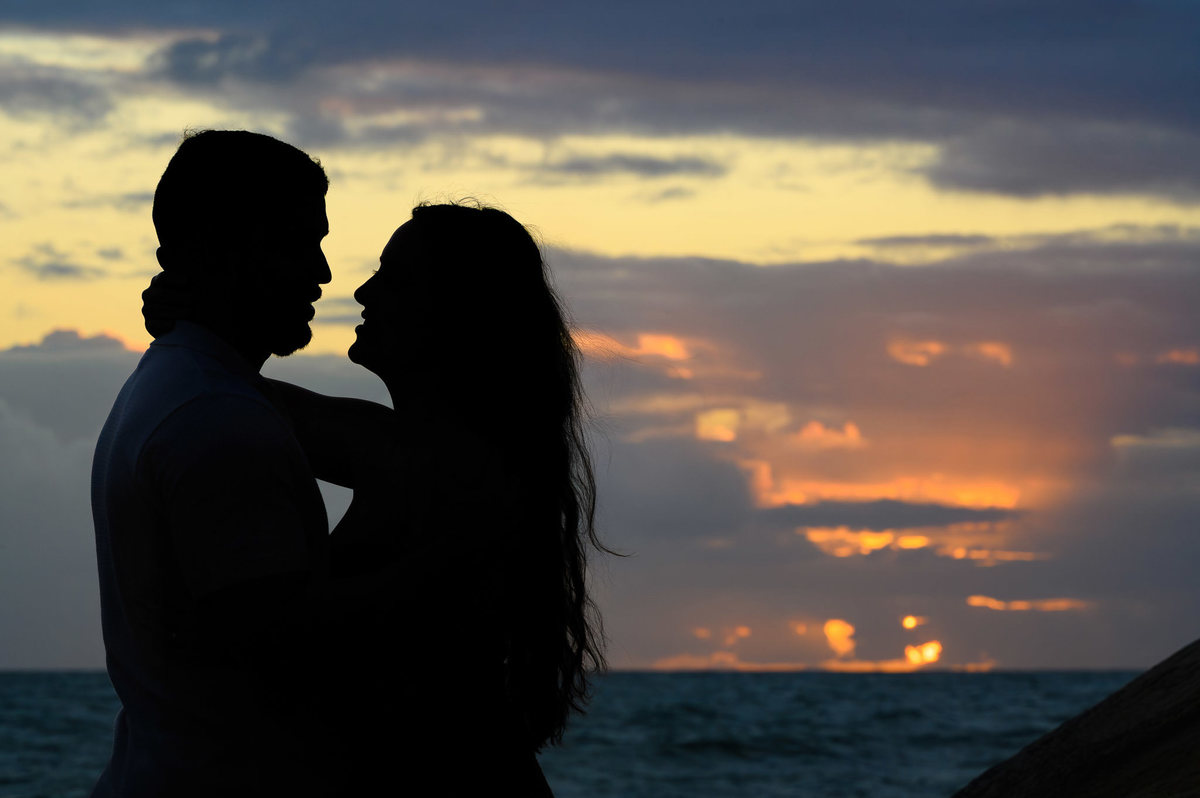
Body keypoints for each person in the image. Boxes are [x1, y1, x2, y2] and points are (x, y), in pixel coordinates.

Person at [262, 204, 608, 795]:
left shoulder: (442, 464)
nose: (364, 290)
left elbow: (238, 396)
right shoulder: (452, 454)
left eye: (392, 278)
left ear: (454, 312)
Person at [91, 130, 339, 797]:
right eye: (298, 244)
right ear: (229, 251)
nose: (323, 274)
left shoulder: (182, 394)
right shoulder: (218, 421)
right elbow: (283, 667)